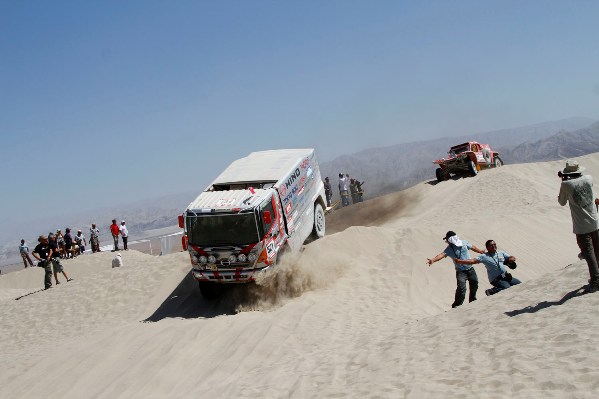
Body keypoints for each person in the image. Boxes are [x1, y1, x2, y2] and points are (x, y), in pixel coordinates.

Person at [557, 160, 599, 293]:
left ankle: (596, 281)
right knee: (597, 250)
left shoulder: (566, 184)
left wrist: (563, 182)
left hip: (581, 226)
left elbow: (561, 202)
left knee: (588, 253)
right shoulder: (588, 178)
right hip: (595, 221)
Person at [427, 231, 485, 308]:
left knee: (474, 284)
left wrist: (480, 251)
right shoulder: (449, 249)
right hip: (460, 272)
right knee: (461, 289)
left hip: (470, 269)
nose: (446, 241)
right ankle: (456, 306)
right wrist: (433, 260)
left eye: (447, 239)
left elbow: (472, 247)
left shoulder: (464, 242)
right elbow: (442, 254)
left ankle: (473, 301)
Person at [454, 240, 521, 296]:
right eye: (491, 245)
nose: (494, 246)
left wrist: (511, 259)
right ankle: (491, 291)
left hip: (506, 276)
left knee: (520, 284)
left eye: (495, 244)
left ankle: (500, 287)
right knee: (507, 288)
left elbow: (511, 257)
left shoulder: (501, 253)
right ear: (487, 247)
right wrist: (460, 261)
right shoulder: (484, 256)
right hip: (496, 279)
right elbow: (473, 261)